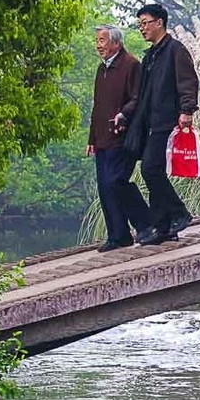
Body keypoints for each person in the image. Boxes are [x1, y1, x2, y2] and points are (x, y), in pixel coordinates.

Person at [123, 4, 199, 245]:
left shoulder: (175, 50)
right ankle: (164, 227)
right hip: (149, 122)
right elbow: (142, 92)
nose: (142, 28)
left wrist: (187, 110)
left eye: (145, 23)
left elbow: (188, 81)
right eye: (140, 25)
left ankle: (179, 213)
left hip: (167, 121)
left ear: (159, 22)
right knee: (150, 170)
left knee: (150, 169)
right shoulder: (150, 56)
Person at [88, 25, 151, 252]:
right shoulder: (101, 69)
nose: (98, 45)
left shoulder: (131, 64)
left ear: (116, 43)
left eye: (102, 40)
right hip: (102, 137)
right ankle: (118, 235)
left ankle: (145, 223)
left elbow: (138, 98)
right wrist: (91, 138)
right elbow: (98, 106)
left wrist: (123, 114)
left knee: (116, 181)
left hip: (122, 135)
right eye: (97, 40)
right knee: (105, 186)